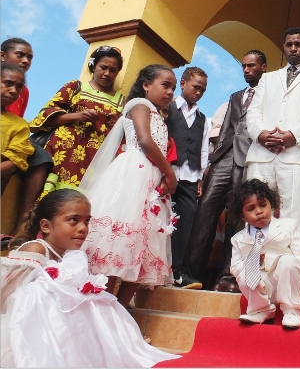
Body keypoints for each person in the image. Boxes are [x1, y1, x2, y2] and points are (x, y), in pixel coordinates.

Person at [0, 189, 180, 367]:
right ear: (46, 226)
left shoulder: (69, 256)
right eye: (73, 220)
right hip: (29, 330)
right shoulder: (36, 249)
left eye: (87, 221)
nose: (83, 228)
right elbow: (7, 296)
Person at [81, 64, 178, 308]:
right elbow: (144, 140)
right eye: (165, 85)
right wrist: (169, 172)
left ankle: (120, 311)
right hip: (134, 175)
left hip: (151, 180)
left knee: (144, 244)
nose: (170, 92)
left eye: (173, 88)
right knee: (120, 243)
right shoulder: (139, 105)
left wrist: (162, 176)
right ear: (146, 85)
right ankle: (101, 305)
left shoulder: (160, 116)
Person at [186, 50, 267, 293]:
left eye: (251, 66)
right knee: (205, 210)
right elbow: (225, 131)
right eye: (244, 66)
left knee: (239, 216)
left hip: (250, 157)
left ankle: (229, 276)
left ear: (263, 67)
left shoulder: (271, 94)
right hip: (223, 157)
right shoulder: (235, 96)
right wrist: (213, 160)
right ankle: (190, 274)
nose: (246, 70)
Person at [246, 27, 300, 229]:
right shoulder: (267, 78)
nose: (293, 48)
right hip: (262, 154)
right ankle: (254, 251)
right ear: (284, 47)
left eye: (298, 44)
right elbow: (253, 111)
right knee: (254, 213)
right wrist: (261, 135)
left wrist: (293, 136)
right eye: (289, 44)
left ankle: (286, 252)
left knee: (292, 219)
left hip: (299, 156)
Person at [29, 45, 125, 194]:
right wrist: (77, 116)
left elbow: (126, 136)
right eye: (103, 68)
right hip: (63, 152)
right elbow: (46, 116)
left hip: (97, 160)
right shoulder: (75, 87)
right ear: (93, 66)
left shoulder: (121, 101)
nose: (107, 73)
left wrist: (118, 125)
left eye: (113, 70)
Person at [229, 179, 300, 329]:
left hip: (287, 281)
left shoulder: (289, 226)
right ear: (242, 216)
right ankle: (260, 309)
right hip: (261, 285)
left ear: (271, 204)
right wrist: (251, 262)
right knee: (245, 270)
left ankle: (292, 310)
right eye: (251, 208)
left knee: (289, 261)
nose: (259, 211)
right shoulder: (238, 239)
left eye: (263, 205)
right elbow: (235, 268)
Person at [1, 38, 54, 237]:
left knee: (41, 157)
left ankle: (22, 224)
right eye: (20, 55)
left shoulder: (24, 91)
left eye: (29, 57)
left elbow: (17, 119)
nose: (25, 61)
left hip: (12, 135)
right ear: (2, 55)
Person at [166, 67, 209, 289]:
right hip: (168, 173)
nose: (199, 93)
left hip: (191, 177)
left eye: (203, 90)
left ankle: (178, 271)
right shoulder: (168, 108)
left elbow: (203, 149)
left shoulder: (203, 119)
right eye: (195, 87)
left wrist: (200, 176)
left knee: (186, 223)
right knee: (161, 220)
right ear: (183, 83)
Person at [1, 63, 34, 195]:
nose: (14, 91)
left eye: (19, 87)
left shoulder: (19, 125)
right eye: (8, 83)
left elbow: (15, 160)